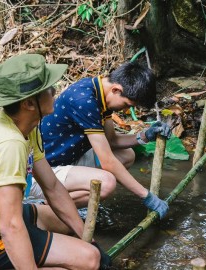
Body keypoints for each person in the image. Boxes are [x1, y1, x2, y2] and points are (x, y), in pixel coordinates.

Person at [0, 54, 110, 269]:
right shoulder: (8, 144)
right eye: (49, 89)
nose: (55, 91)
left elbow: (52, 186)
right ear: (30, 103)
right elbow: (11, 227)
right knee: (89, 259)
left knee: (66, 224)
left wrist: (88, 238)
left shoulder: (25, 126)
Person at [29, 61, 171, 218]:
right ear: (116, 90)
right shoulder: (84, 101)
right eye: (126, 104)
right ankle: (45, 207)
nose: (124, 110)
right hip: (42, 173)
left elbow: (111, 141)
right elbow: (107, 162)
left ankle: (72, 196)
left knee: (127, 155)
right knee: (106, 184)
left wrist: (145, 136)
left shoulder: (99, 90)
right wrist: (147, 196)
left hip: (66, 159)